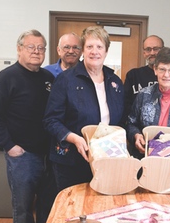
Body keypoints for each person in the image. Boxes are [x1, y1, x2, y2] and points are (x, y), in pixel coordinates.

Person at [0, 29, 55, 223]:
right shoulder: (7, 77)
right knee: (23, 205)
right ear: (19, 49)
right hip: (22, 155)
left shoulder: (48, 78)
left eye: (41, 48)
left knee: (46, 203)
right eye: (31, 47)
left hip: (48, 154)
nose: (36, 52)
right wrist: (9, 146)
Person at [43, 26, 124, 192]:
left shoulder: (115, 82)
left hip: (106, 158)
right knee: (73, 209)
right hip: (72, 160)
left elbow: (121, 120)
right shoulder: (66, 80)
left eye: (99, 47)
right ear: (83, 51)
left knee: (102, 207)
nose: (94, 52)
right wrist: (74, 138)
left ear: (106, 51)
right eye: (89, 47)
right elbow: (51, 120)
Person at [123, 35, 164, 120]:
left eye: (156, 49)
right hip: (137, 127)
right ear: (144, 52)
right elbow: (125, 104)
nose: (152, 53)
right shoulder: (133, 75)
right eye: (148, 49)